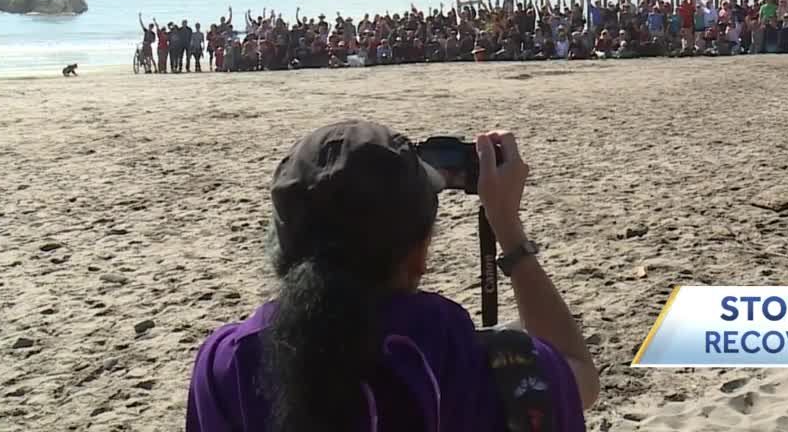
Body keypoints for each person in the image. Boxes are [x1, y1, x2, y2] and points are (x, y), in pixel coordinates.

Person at [186, 123, 597, 431]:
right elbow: (578, 374)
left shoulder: (228, 365)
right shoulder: (493, 367)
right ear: (419, 256)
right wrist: (507, 227)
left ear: (282, 250)